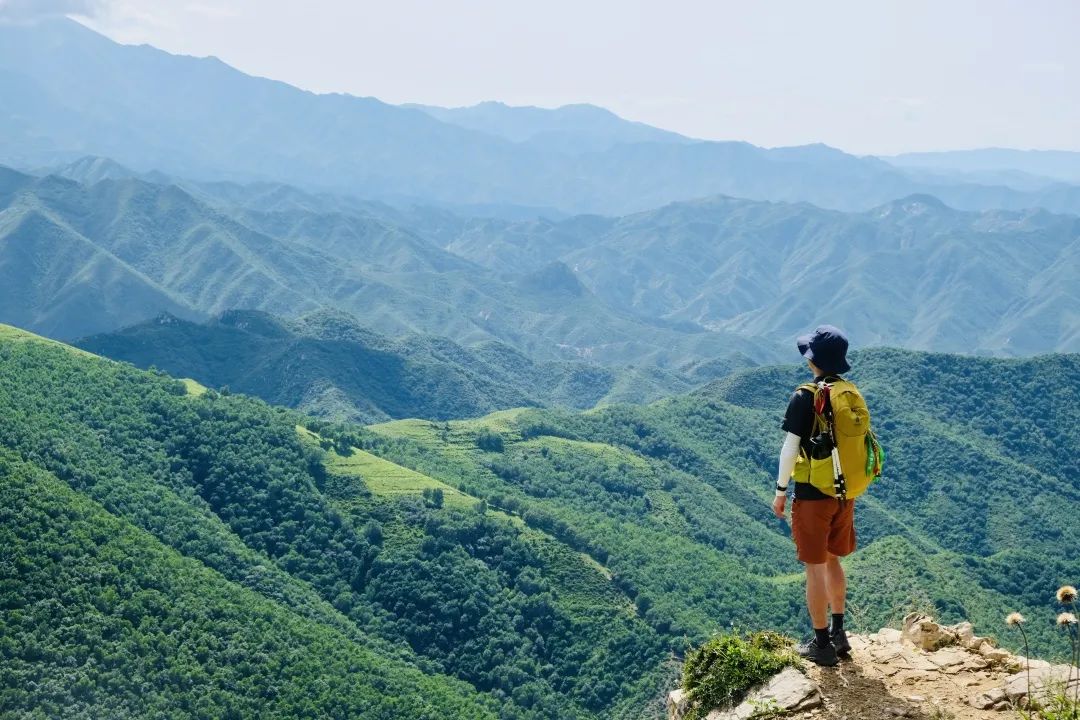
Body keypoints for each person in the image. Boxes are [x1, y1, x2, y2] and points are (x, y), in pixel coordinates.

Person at [771, 325, 859, 667]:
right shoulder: (849, 392)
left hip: (812, 496)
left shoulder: (805, 396)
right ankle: (839, 634)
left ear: (812, 360)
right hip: (844, 492)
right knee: (833, 560)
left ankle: (820, 644)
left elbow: (789, 448)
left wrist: (780, 492)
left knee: (814, 567)